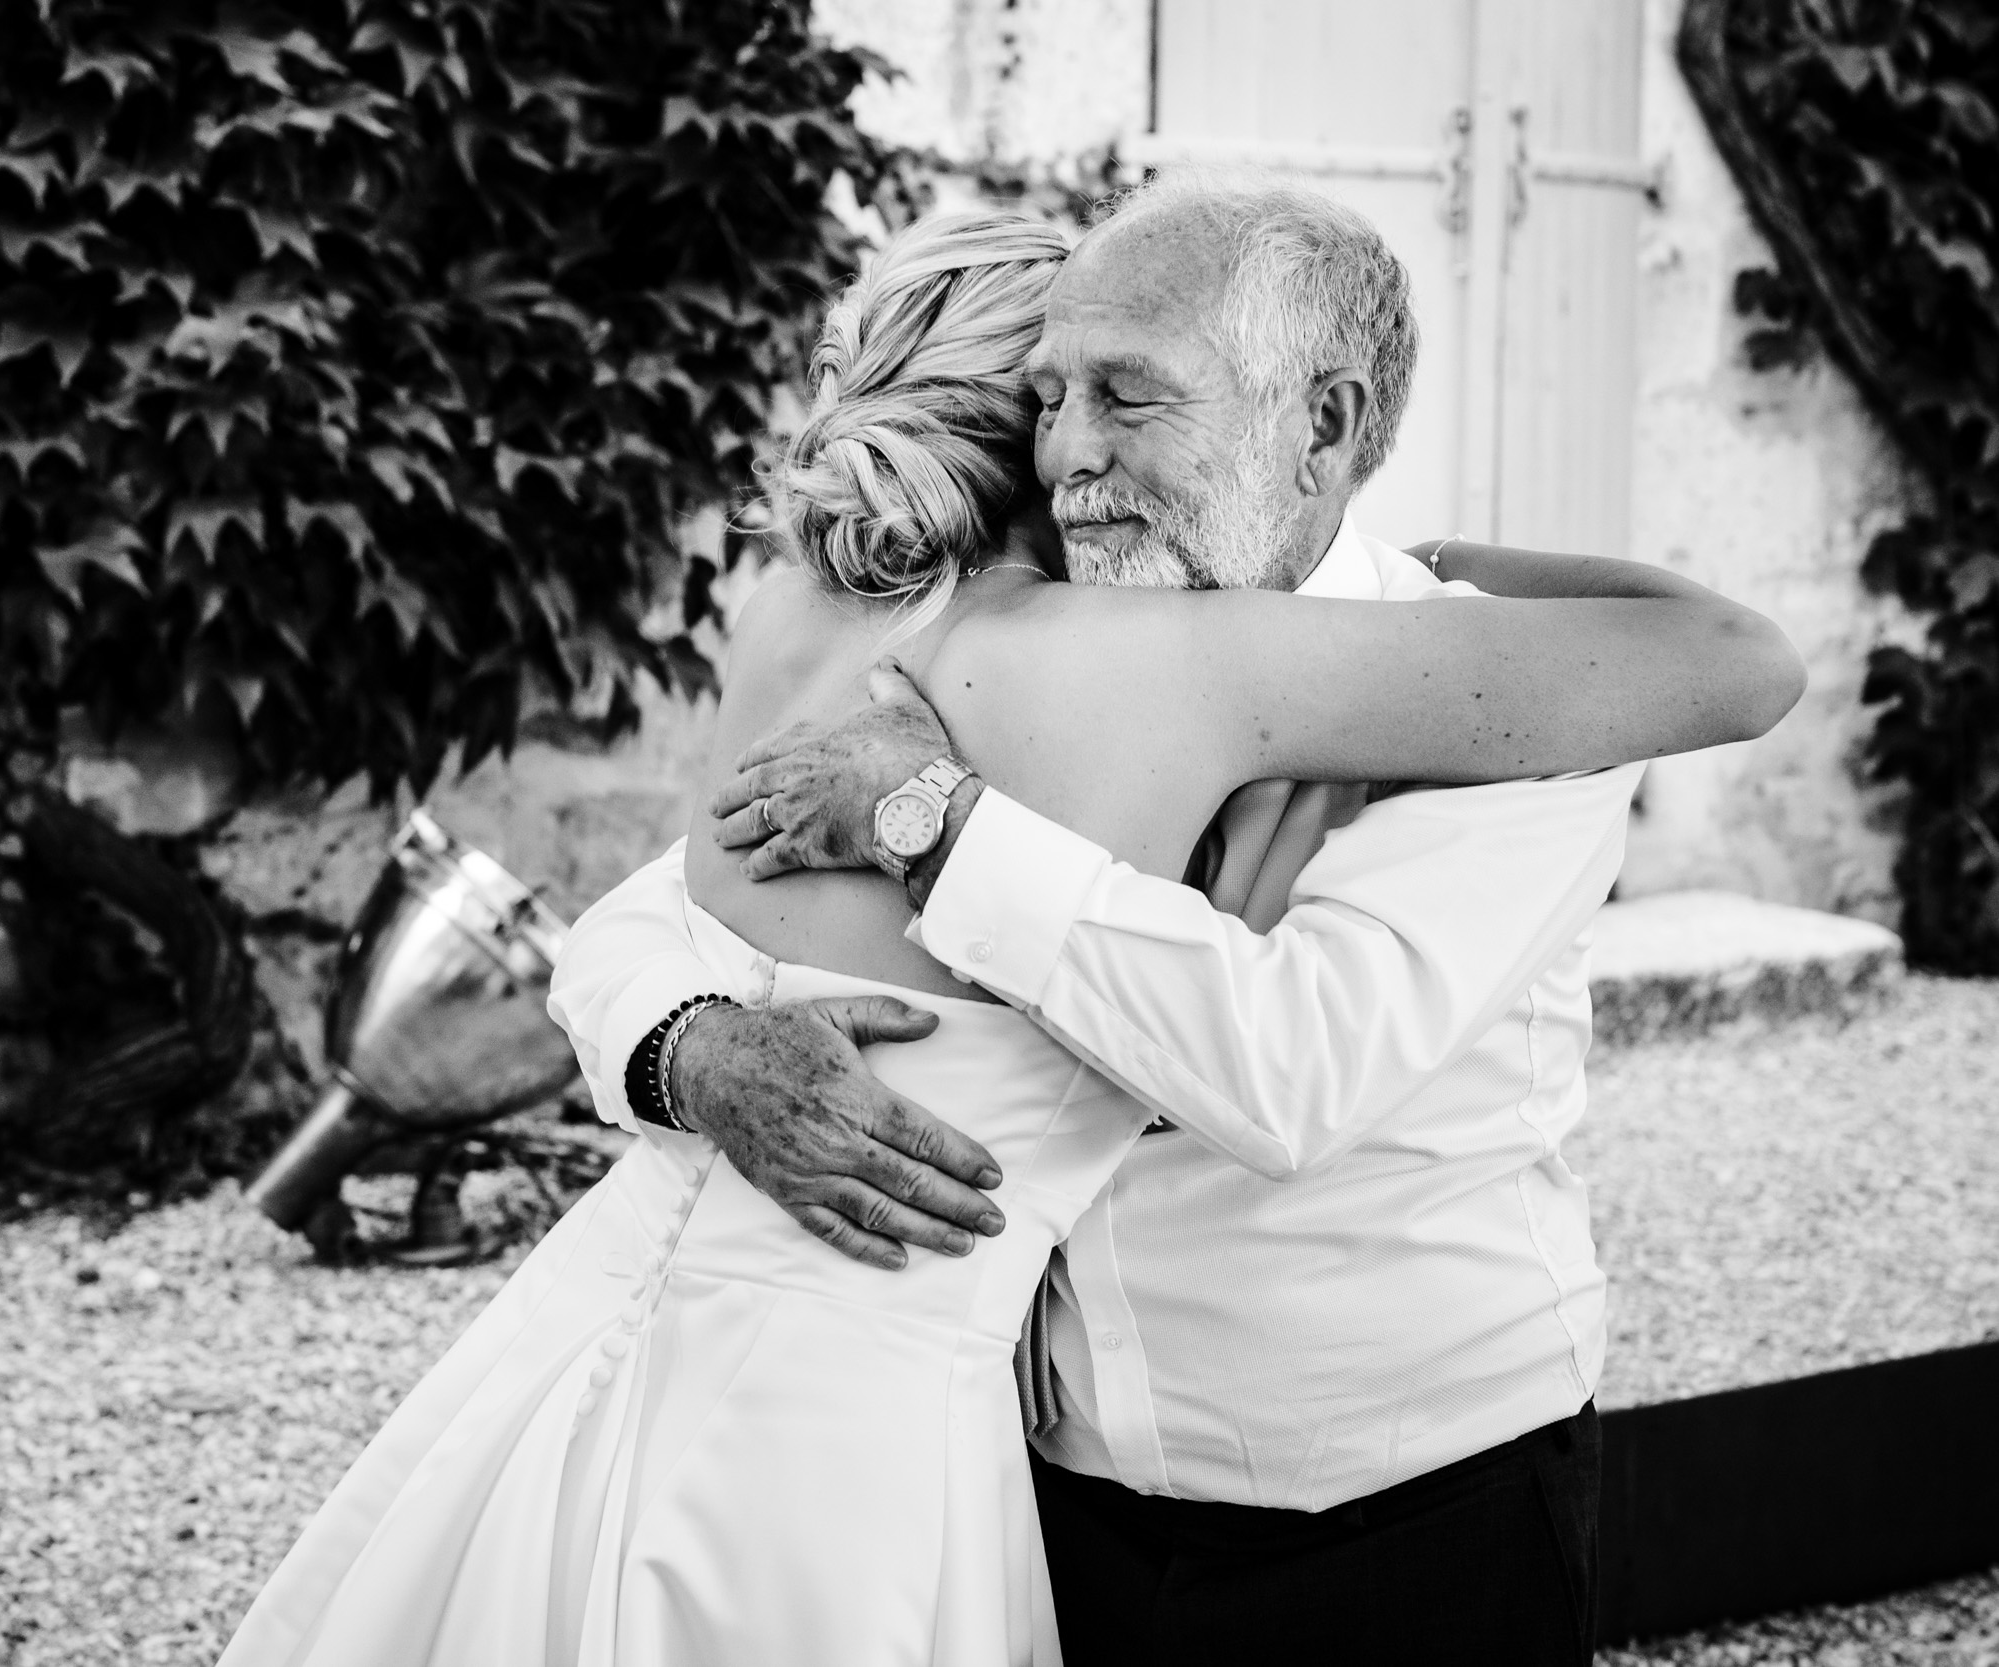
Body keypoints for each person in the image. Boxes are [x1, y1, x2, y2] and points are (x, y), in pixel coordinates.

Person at [221, 192, 1803, 1667]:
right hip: (1045, 1490)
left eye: (1129, 395)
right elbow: (647, 919)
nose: (1074, 452)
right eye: (1052, 398)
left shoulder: (1499, 700)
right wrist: (697, 1052)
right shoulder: (1054, 649)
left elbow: (1291, 1068)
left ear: (1321, 424)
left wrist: (936, 823)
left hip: (1395, 1514)